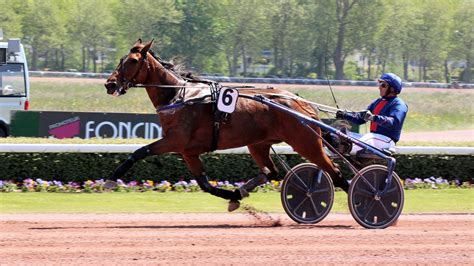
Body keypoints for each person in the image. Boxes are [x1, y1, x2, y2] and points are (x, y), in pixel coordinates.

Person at [335, 73, 408, 155]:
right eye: (379, 84)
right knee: (341, 134)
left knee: (366, 138)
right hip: (373, 138)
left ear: (392, 89)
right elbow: (361, 119)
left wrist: (373, 118)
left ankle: (343, 150)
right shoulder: (377, 102)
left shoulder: (399, 104)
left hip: (386, 141)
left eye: (383, 85)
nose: (379, 87)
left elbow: (393, 123)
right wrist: (345, 115)